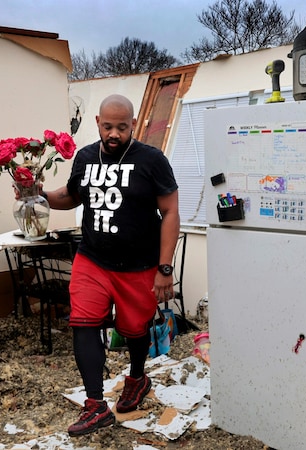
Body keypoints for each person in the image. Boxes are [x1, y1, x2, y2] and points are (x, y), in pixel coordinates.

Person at [39, 94, 180, 436]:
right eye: (108, 126)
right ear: (98, 123)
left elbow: (171, 211)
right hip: (93, 260)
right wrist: (38, 193)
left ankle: (136, 378)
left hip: (139, 266)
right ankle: (95, 406)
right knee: (84, 322)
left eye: (122, 126)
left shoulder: (152, 161)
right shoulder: (86, 158)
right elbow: (72, 196)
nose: (114, 133)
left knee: (134, 330)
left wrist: (164, 269)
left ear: (133, 124)